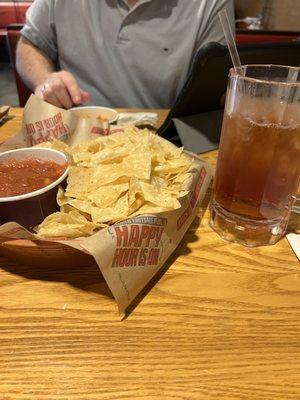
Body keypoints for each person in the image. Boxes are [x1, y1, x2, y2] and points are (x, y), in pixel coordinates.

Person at [16, 0, 234, 109]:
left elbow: (216, 91)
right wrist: (45, 80)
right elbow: (29, 45)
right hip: (74, 131)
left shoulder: (211, 4)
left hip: (164, 139)